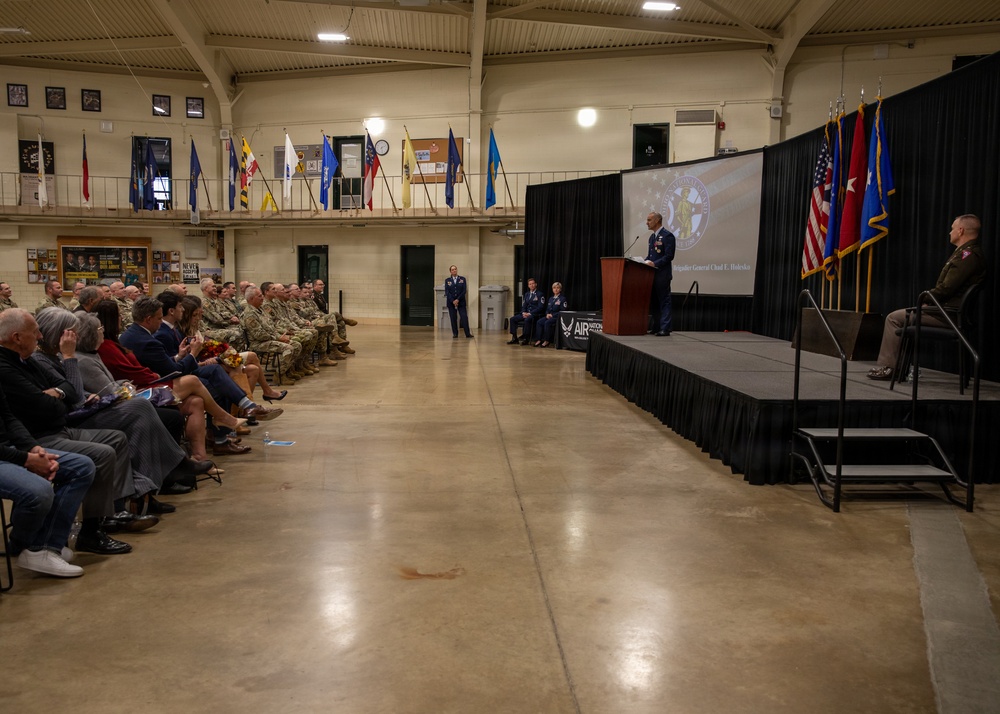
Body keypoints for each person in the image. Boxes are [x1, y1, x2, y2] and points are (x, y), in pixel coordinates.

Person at [867, 214, 988, 381]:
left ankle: (891, 368)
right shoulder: (967, 253)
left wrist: (925, 300)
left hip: (948, 316)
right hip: (945, 311)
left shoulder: (967, 256)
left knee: (893, 318)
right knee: (903, 316)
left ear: (960, 231)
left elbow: (946, 289)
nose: (949, 232)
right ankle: (898, 367)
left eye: (952, 228)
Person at [0, 383, 95, 578]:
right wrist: (26, 459)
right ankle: (26, 546)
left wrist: (33, 448)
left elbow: (9, 418)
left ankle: (46, 545)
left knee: (82, 467)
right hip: (7, 456)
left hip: (10, 450)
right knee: (40, 491)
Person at [644, 211, 676, 336]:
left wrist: (654, 264)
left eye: (649, 220)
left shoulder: (667, 236)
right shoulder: (652, 237)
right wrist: (644, 261)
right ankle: (656, 327)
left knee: (664, 301)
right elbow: (650, 255)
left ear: (657, 221)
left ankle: (665, 328)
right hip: (652, 275)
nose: (647, 223)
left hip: (662, 274)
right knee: (655, 302)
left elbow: (669, 256)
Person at [508, 278, 544, 345]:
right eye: (530, 284)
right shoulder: (527, 294)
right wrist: (523, 312)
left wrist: (530, 313)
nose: (532, 285)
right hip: (525, 313)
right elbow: (524, 305)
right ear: (528, 286)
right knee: (512, 319)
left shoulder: (539, 294)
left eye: (533, 284)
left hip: (533, 314)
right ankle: (514, 337)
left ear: (536, 284)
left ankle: (526, 338)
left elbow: (540, 307)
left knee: (527, 320)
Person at [533, 283, 568, 348]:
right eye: (554, 288)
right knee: (539, 322)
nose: (556, 289)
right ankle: (539, 339)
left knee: (547, 323)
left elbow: (562, 311)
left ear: (560, 289)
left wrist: (552, 315)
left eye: (557, 288)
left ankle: (547, 340)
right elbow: (547, 309)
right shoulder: (551, 299)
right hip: (549, 316)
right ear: (552, 289)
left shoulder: (562, 299)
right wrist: (547, 314)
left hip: (556, 317)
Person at [444, 266, 473, 339]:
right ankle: (455, 333)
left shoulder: (462, 279)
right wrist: (453, 301)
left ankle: (467, 333)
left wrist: (458, 299)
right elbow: (447, 292)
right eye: (452, 269)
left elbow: (464, 290)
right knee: (453, 318)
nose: (454, 270)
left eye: (455, 269)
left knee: (464, 317)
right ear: (450, 271)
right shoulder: (447, 280)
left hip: (461, 301)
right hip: (451, 303)